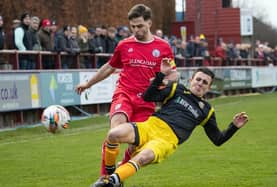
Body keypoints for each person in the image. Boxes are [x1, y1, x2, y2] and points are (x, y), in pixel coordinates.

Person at [92, 63, 249, 187]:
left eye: (205, 82)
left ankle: (111, 182)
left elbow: (217, 139)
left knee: (143, 157)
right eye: (198, 79)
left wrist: (233, 127)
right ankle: (110, 174)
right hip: (150, 126)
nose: (200, 84)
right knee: (113, 134)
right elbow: (148, 96)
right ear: (191, 80)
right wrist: (161, 75)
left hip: (166, 140)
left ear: (209, 88)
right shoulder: (177, 89)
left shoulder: (207, 111)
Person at [75, 3, 178, 183]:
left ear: (149, 23)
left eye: (140, 26)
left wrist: (165, 80)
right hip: (124, 94)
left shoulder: (163, 47)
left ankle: (118, 175)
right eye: (133, 27)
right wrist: (88, 83)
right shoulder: (124, 45)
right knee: (114, 132)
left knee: (136, 145)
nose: (136, 30)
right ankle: (104, 177)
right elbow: (109, 67)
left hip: (147, 100)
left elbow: (174, 73)